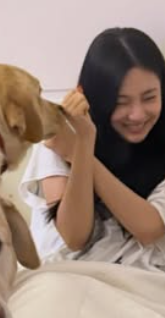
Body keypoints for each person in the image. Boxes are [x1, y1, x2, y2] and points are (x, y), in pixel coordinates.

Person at [19, 27, 165, 270]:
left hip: (144, 274)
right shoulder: (59, 128)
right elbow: (75, 237)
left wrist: (76, 151)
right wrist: (85, 141)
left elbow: (150, 228)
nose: (137, 115)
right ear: (90, 96)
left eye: (149, 97)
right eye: (120, 102)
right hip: (71, 272)